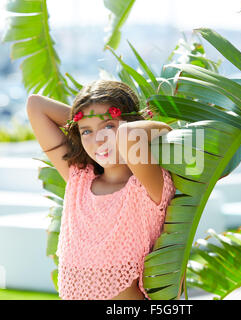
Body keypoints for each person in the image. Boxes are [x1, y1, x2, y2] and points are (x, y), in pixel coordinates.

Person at [26, 80, 176, 300]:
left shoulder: (147, 186)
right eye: (86, 132)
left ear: (131, 123)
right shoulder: (79, 180)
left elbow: (129, 136)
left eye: (108, 127)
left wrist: (163, 129)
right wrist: (87, 120)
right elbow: (35, 105)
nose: (98, 140)